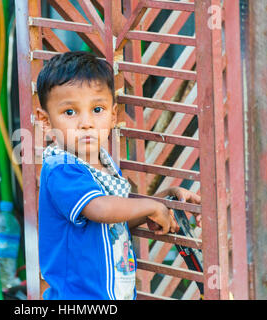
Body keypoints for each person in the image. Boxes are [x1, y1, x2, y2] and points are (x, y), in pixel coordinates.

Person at [36, 51, 201, 300]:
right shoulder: (62, 169)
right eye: (70, 112)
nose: (86, 123)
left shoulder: (103, 164)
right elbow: (100, 209)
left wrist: (161, 201)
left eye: (97, 109)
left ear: (113, 116)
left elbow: (113, 222)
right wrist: (149, 206)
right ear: (45, 121)